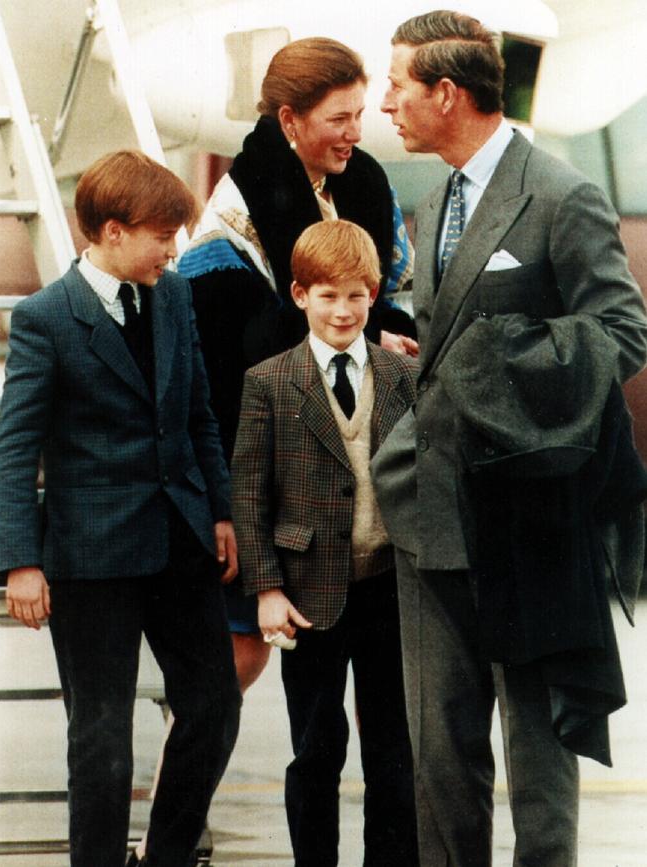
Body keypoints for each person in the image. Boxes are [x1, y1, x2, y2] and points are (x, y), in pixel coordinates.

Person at [373, 11, 647, 867]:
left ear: (447, 93)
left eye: (397, 87)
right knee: (439, 753)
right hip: (428, 513)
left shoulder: (564, 194)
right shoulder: (430, 202)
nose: (387, 105)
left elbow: (623, 332)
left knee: (536, 751)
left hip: (525, 520)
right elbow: (450, 342)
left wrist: (489, 360)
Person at [0, 150, 242, 867]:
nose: (174, 249)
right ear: (109, 231)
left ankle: (162, 858)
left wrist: (219, 512)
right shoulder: (47, 319)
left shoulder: (171, 296)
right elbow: (15, 449)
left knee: (214, 707)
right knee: (101, 736)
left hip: (182, 542)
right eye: (162, 234)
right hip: (91, 556)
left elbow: (198, 414)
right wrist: (20, 561)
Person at [177, 35, 418, 705]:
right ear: (289, 121)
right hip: (268, 449)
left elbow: (385, 299)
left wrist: (391, 339)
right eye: (338, 118)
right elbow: (225, 361)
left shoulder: (365, 181)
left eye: (359, 114)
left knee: (382, 672)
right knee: (243, 650)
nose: (355, 132)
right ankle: (181, 796)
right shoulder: (233, 216)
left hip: (363, 465)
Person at [231, 220, 419, 867]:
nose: (343, 310)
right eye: (327, 295)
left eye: (356, 295)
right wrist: (266, 588)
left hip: (391, 587)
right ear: (300, 294)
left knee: (394, 745)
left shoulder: (401, 376)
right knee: (316, 745)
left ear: (373, 295)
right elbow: (250, 495)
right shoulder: (270, 382)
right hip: (309, 594)